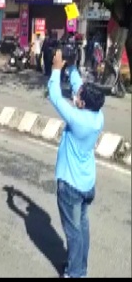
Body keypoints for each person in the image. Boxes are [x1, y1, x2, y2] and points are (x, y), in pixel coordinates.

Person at [48, 49, 105, 278]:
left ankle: (75, 273)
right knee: (82, 228)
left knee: (73, 233)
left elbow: (53, 95)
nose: (76, 95)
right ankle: (81, 266)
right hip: (86, 183)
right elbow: (80, 88)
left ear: (82, 103)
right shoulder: (97, 117)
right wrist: (70, 68)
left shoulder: (77, 119)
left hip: (70, 185)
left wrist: (55, 68)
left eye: (79, 96)